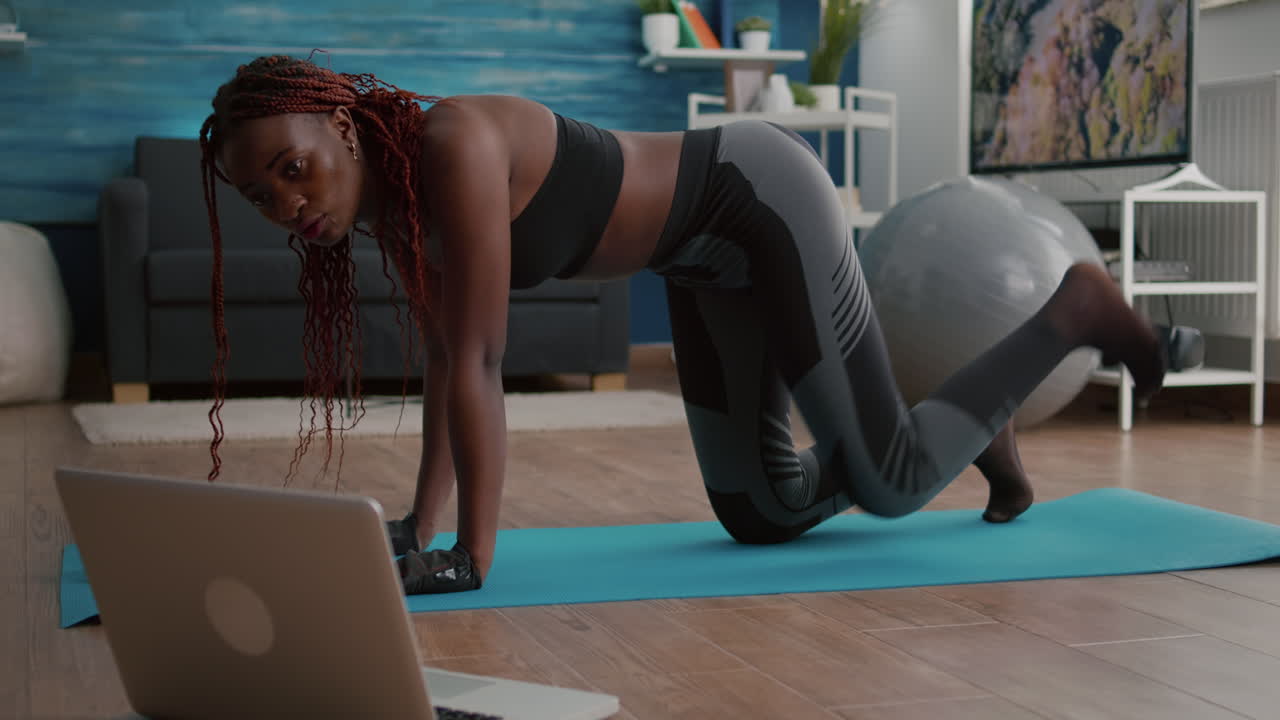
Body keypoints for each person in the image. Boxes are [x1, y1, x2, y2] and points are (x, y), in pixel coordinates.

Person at [199, 55, 1166, 595]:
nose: (286, 202)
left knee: (891, 483)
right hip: (700, 260)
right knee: (762, 512)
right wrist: (422, 524)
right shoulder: (394, 210)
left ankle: (1074, 308)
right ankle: (954, 422)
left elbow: (486, 360)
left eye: (293, 166)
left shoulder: (452, 146)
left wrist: (471, 558)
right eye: (259, 196)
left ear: (345, 127)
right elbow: (450, 355)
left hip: (755, 195)